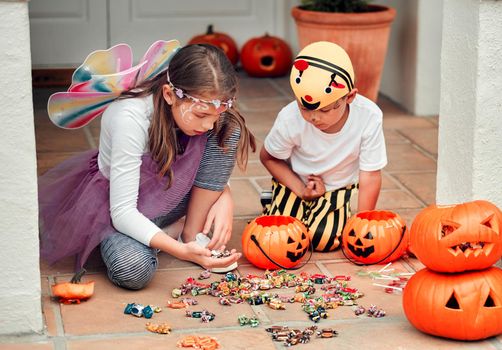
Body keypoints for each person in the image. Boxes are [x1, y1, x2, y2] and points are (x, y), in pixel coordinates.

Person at [39, 42, 256, 290]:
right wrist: (182, 253)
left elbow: (210, 155)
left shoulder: (210, 115)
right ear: (169, 94)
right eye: (200, 116)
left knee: (230, 126)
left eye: (214, 115)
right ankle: (170, 235)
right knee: (131, 270)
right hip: (122, 208)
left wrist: (223, 193)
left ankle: (191, 232)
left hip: (174, 191)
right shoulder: (129, 117)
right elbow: (122, 213)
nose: (208, 125)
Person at [260, 41, 387, 252]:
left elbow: (371, 175)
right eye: (304, 108)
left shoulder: (369, 117)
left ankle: (321, 211)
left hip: (337, 188)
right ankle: (275, 200)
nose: (313, 117)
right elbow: (269, 157)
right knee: (282, 237)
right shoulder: (290, 118)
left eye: (326, 110)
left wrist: (361, 223)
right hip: (296, 183)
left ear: (349, 97)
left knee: (323, 239)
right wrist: (301, 189)